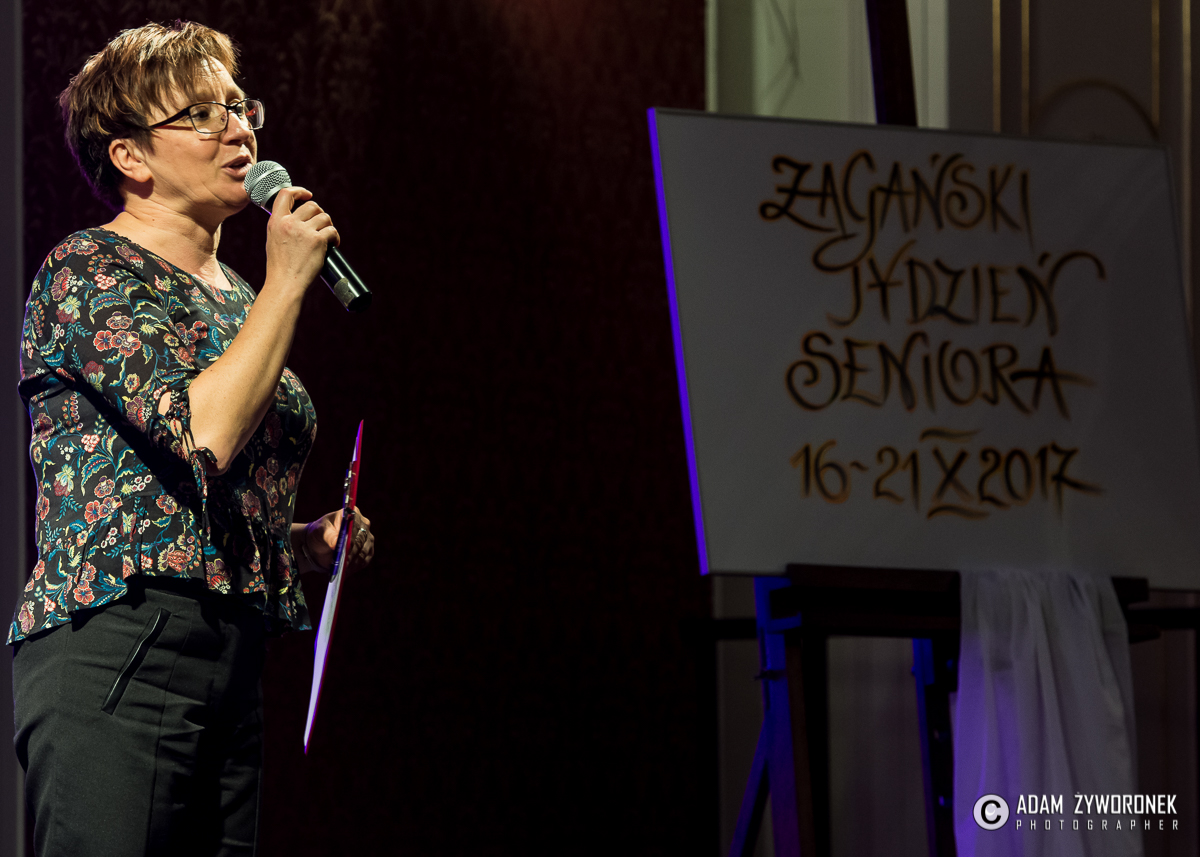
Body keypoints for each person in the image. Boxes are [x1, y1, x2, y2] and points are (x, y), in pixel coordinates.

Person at [9, 21, 374, 856]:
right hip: (121, 646)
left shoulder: (240, 296)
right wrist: (288, 282)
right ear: (130, 156)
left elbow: (188, 498)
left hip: (231, 657)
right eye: (203, 114)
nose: (238, 129)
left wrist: (304, 543)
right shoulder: (89, 270)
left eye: (240, 107)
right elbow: (203, 433)